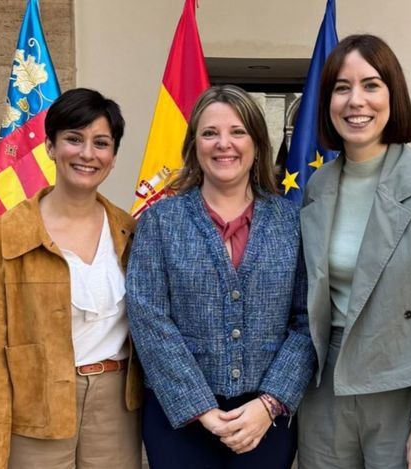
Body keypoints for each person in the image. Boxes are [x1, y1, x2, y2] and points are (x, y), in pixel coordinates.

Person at [297, 34, 411, 469]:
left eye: (371, 84)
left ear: (393, 94)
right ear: (327, 102)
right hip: (327, 389)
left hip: (405, 383)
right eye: (342, 87)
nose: (356, 100)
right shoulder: (318, 186)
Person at [126, 85, 316, 469]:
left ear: (258, 144)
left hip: (266, 420)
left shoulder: (291, 223)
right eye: (210, 133)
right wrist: (201, 409)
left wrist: (269, 403)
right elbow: (149, 319)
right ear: (194, 144)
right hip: (177, 419)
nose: (223, 144)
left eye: (237, 132)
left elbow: (308, 319)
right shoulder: (161, 221)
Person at [0, 88, 142, 469]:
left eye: (101, 143)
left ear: (113, 157)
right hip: (35, 406)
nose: (87, 153)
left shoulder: (131, 232)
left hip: (116, 407)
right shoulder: (4, 237)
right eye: (73, 139)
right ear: (50, 147)